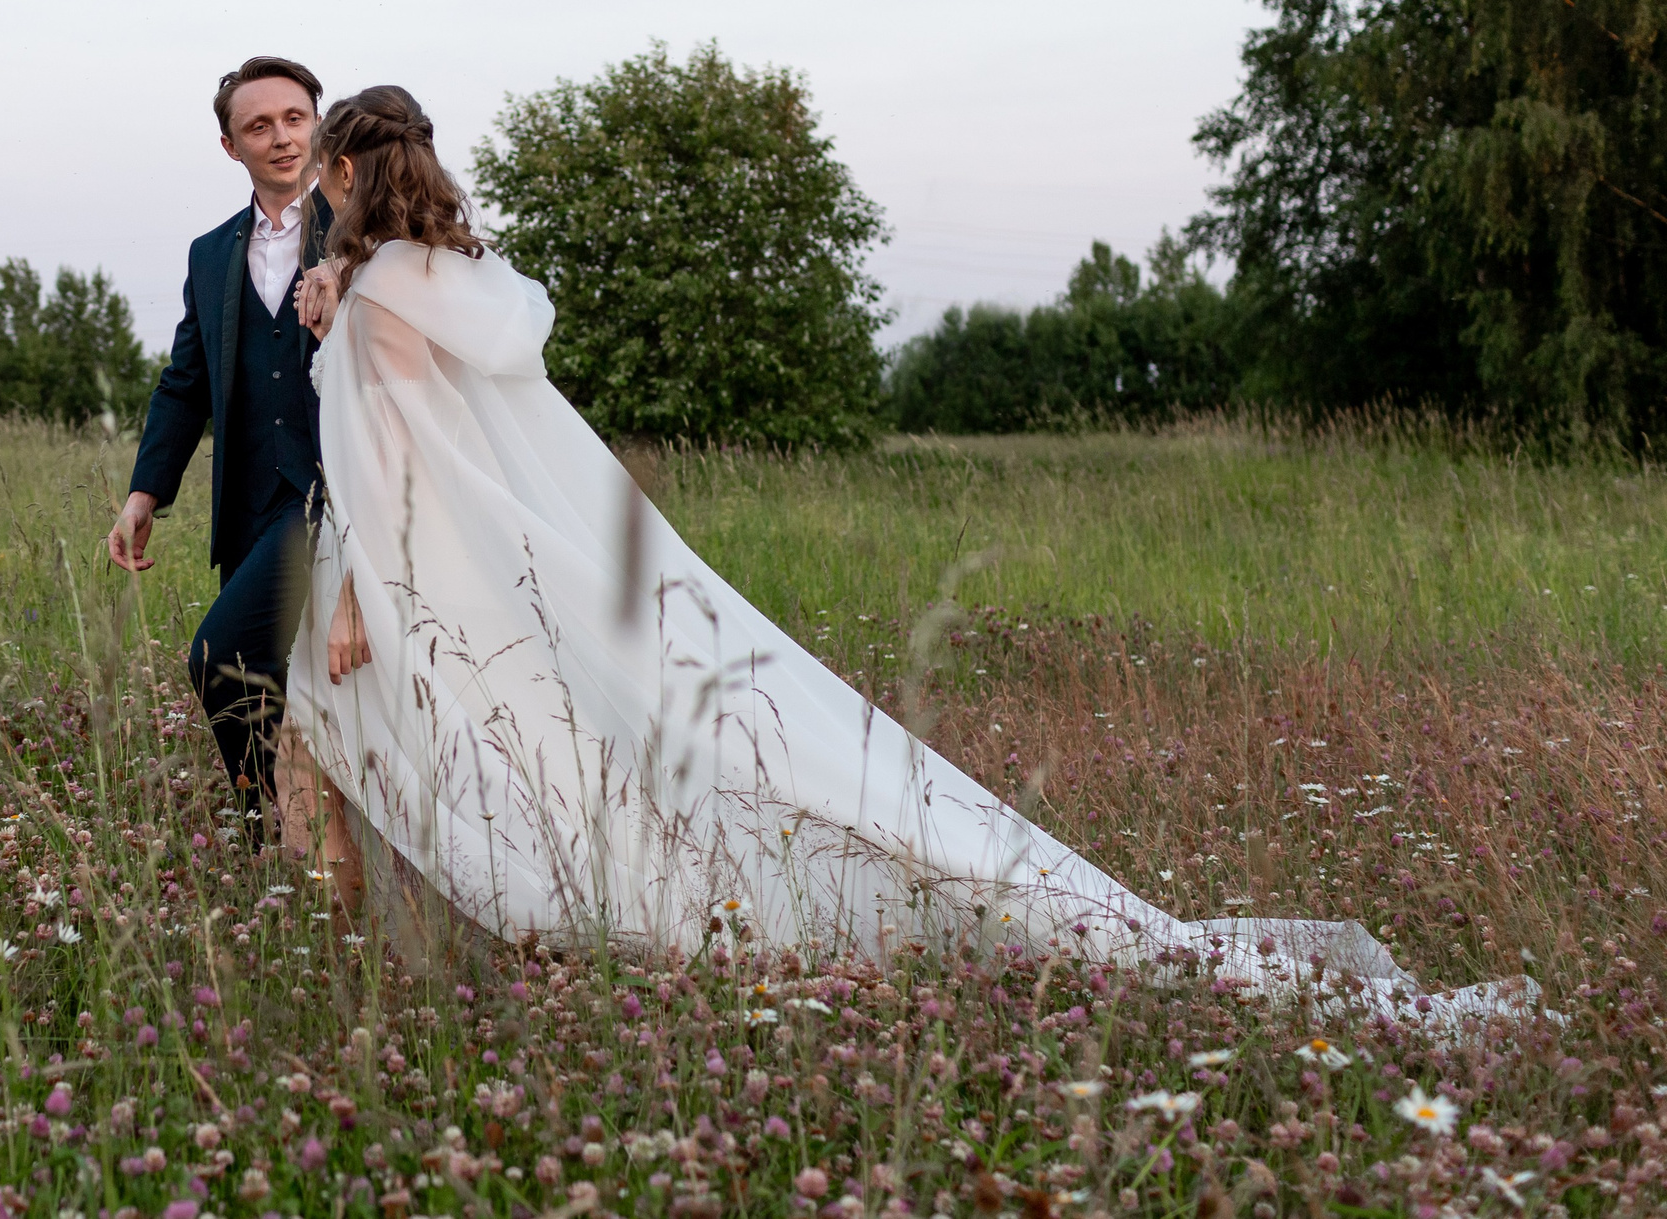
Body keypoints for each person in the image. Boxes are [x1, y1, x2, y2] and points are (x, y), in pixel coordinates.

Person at [279, 83, 1525, 1021]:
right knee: (549, 735)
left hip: (426, 564)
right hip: (478, 557)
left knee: (473, 736)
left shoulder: (382, 292)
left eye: (323, 172)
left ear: (341, 169)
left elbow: (400, 452)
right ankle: (467, 938)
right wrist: (341, 296)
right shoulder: (438, 276)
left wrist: (359, 600)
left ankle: (455, 945)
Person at [109, 57, 334, 837]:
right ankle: (304, 839)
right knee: (279, 674)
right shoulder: (210, 253)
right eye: (259, 125)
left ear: (319, 124)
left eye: (295, 118)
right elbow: (185, 382)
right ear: (230, 145)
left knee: (222, 656)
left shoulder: (363, 230)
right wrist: (144, 494)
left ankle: (264, 830)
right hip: (248, 502)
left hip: (335, 492)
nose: (282, 137)